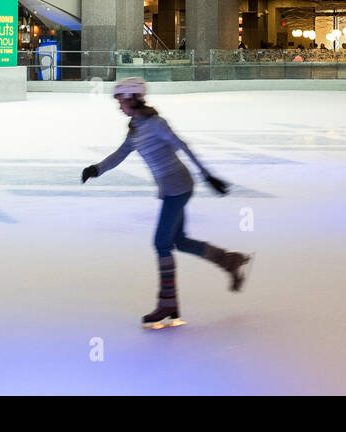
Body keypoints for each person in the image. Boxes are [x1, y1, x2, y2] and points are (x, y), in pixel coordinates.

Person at [81, 78, 251, 329]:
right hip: (171, 189)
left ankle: (167, 303)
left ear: (132, 98)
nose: (119, 106)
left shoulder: (156, 124)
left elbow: (183, 146)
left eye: (120, 101)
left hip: (178, 188)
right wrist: (97, 169)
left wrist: (207, 175)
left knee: (162, 243)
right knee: (179, 241)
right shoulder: (136, 127)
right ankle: (229, 261)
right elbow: (121, 153)